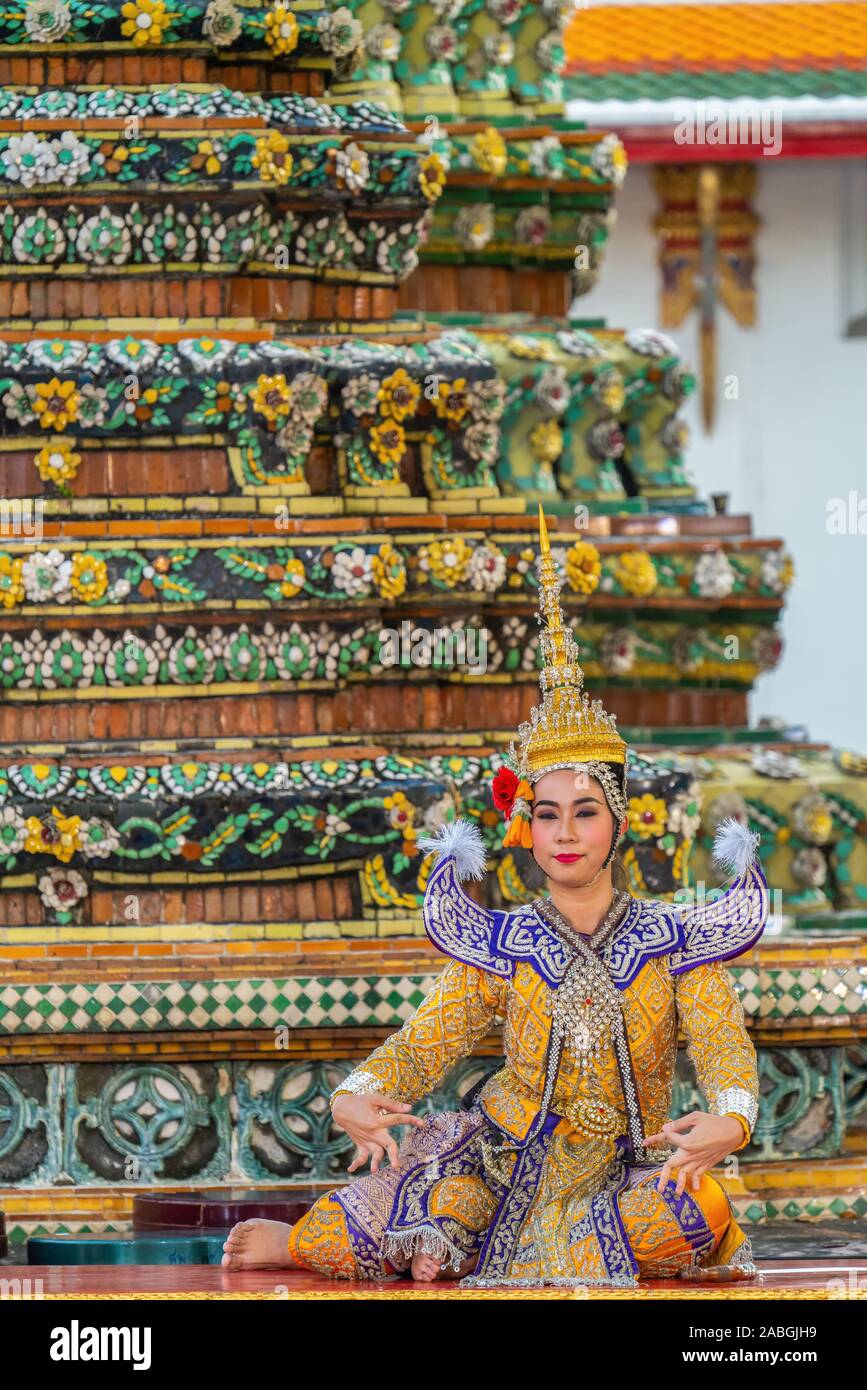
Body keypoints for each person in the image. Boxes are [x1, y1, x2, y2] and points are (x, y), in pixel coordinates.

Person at [222, 506, 768, 1287]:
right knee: (364, 1230)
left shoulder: (674, 939)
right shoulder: (503, 945)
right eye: (547, 815)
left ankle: (512, 1251)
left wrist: (733, 1117)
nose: (565, 833)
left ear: (619, 824)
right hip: (498, 1158)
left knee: (693, 1212)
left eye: (585, 813)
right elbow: (425, 1042)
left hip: (625, 1170)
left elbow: (721, 1045)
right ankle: (363, 1241)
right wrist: (357, 1094)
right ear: (526, 829)